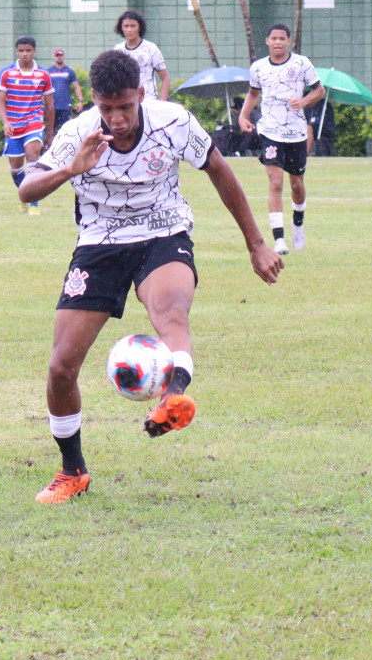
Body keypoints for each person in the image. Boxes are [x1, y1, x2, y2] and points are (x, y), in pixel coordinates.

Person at [15, 48, 280, 505]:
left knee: (172, 312)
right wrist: (69, 169)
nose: (116, 119)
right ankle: (72, 470)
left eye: (125, 107)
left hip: (163, 231)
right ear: (94, 101)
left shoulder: (172, 121)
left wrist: (257, 243)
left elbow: (219, 169)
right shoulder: (79, 132)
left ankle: (174, 395)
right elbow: (26, 189)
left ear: (141, 94)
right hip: (98, 244)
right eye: (107, 108)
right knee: (61, 367)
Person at [238, 23, 325, 255]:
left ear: (289, 42)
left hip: (296, 133)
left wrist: (303, 101)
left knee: (296, 184)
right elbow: (253, 93)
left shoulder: (301, 63)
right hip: (270, 132)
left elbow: (320, 90)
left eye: (282, 38)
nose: (278, 42)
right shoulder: (258, 67)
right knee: (275, 182)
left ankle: (298, 224)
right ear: (267, 41)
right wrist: (244, 116)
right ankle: (279, 239)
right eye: (274, 38)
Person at [0, 36, 55, 215]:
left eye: (28, 50)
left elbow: (49, 105)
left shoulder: (43, 75)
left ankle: (34, 205)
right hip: (13, 126)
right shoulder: (6, 73)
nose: (25, 54)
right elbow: (0, 101)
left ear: (34, 51)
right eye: (21, 51)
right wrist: (5, 122)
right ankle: (24, 196)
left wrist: (50, 133)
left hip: (34, 123)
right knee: (15, 169)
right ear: (17, 51)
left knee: (32, 156)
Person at [111, 9, 169, 101]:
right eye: (126, 26)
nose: (129, 30)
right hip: (127, 102)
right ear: (121, 28)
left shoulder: (151, 48)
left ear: (139, 27)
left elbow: (165, 78)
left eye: (133, 26)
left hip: (149, 100)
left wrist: (162, 102)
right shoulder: (118, 50)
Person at [46, 47, 81, 130]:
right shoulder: (49, 71)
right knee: (51, 129)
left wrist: (80, 101)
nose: (59, 57)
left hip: (65, 105)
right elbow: (43, 88)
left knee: (65, 129)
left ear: (64, 56)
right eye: (57, 55)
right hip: (52, 106)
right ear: (54, 57)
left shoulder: (69, 71)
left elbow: (76, 87)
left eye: (61, 55)